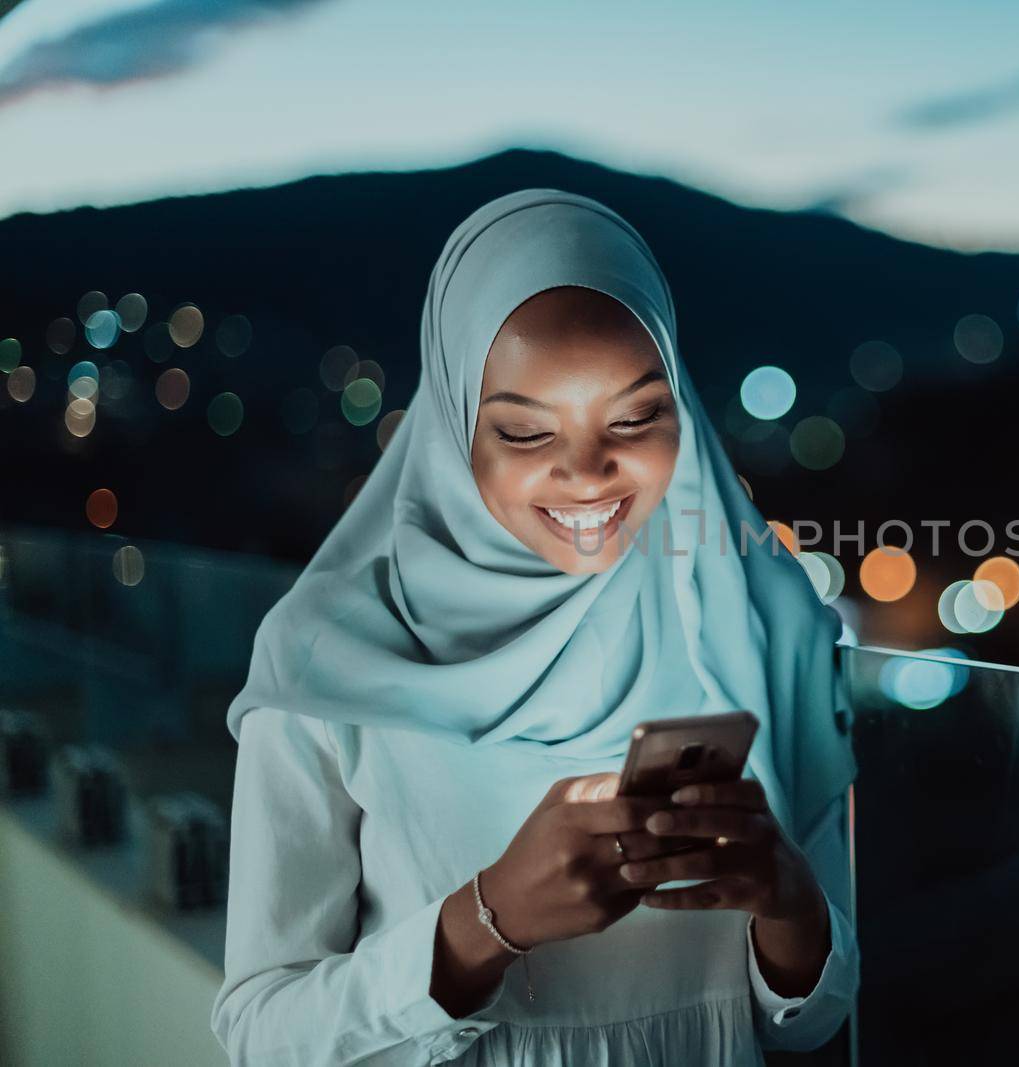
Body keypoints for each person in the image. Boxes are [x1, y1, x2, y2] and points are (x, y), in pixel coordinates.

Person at [209, 189, 859, 1065]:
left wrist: (790, 904)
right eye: (523, 430)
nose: (588, 474)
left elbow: (813, 1022)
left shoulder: (760, 622)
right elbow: (258, 1032)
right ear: (451, 427)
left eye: (635, 416)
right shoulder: (332, 654)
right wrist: (488, 921)